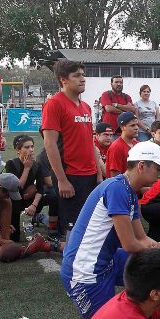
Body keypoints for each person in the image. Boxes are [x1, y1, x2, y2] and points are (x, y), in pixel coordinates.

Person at [0, 142, 160, 319]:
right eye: (158, 168)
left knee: (151, 268)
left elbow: (142, 238)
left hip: (104, 259)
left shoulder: (127, 190)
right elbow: (131, 244)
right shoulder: (118, 189)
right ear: (141, 166)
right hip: (86, 271)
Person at [42, 59, 104, 241]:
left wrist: (99, 172)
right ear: (63, 80)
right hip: (70, 175)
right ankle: (69, 263)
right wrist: (61, 179)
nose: (82, 79)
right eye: (76, 75)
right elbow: (49, 144)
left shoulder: (85, 107)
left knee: (90, 222)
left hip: (90, 174)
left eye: (83, 74)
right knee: (73, 226)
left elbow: (90, 142)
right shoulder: (54, 104)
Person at [4, 134, 57, 241]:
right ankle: (2, 227)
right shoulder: (11, 164)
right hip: (13, 201)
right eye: (27, 147)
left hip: (29, 199)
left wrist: (34, 205)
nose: (31, 150)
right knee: (15, 238)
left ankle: (52, 228)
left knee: (53, 197)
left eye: (32, 146)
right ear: (18, 150)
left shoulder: (37, 165)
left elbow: (40, 188)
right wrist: (27, 168)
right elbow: (16, 188)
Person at [105, 112, 139, 178]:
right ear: (123, 127)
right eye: (132, 125)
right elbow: (115, 177)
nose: (136, 128)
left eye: (137, 125)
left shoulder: (137, 144)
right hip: (122, 186)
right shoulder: (116, 147)